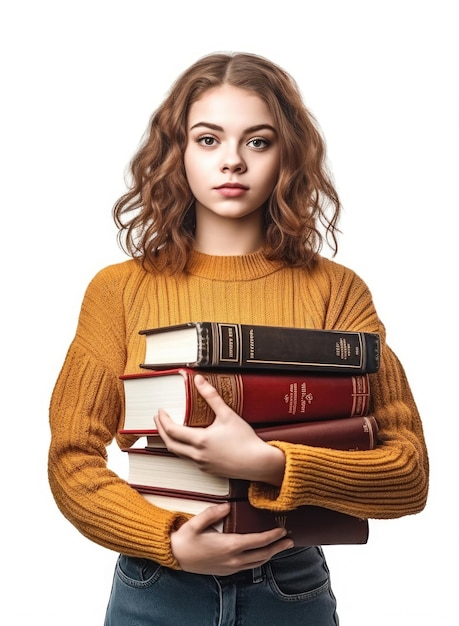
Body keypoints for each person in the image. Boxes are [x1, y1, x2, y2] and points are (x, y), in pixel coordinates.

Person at [48, 52, 429, 625]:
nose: (231, 161)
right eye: (208, 140)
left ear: (288, 156)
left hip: (290, 585)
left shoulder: (337, 292)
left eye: (257, 141)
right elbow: (70, 458)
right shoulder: (119, 291)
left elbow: (408, 474)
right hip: (156, 585)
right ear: (176, 154)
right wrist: (170, 540)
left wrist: (270, 463)